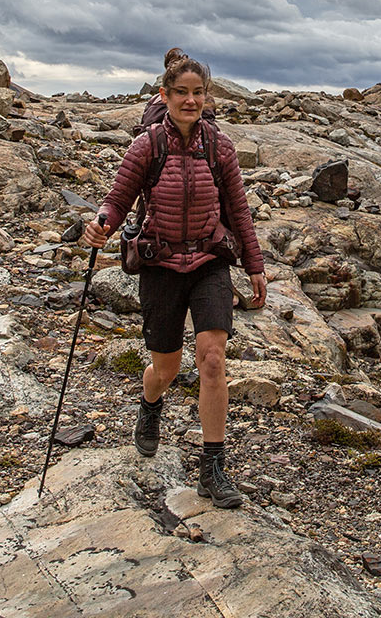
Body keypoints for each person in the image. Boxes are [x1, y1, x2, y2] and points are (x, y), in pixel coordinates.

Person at [82, 48, 266, 508]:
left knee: (212, 359)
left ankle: (213, 466)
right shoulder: (147, 145)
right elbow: (117, 199)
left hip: (209, 263)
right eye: (181, 93)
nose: (190, 101)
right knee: (165, 369)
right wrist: (101, 222)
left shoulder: (219, 147)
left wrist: (255, 265)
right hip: (160, 266)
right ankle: (150, 405)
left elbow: (238, 210)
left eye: (198, 93)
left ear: (207, 96)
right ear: (164, 96)